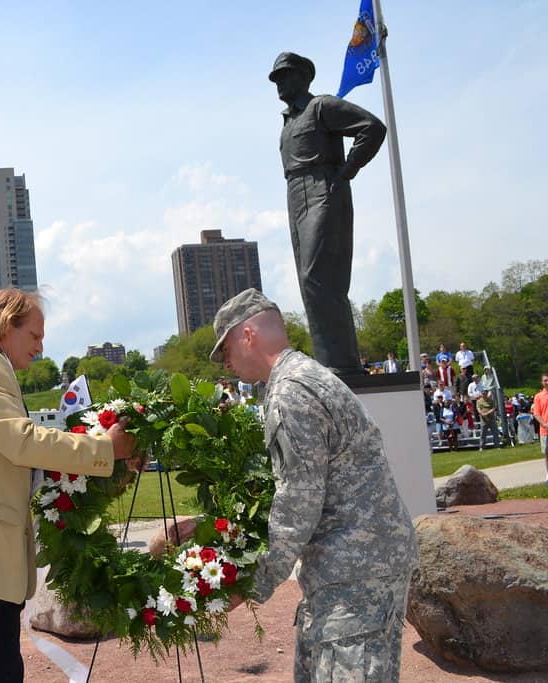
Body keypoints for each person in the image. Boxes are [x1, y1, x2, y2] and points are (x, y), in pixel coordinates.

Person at [0, 288, 137, 682]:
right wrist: (105, 449)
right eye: (34, 335)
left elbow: (20, 460)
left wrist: (111, 462)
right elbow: (23, 442)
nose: (40, 346)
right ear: (5, 325)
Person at [210, 289, 418, 682]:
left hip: (355, 575)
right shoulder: (302, 377)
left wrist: (251, 584)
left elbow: (298, 501)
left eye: (225, 350)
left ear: (248, 335)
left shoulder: (291, 390)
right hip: (353, 567)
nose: (226, 362)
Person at [269, 52, 386, 375]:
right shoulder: (289, 121)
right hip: (294, 193)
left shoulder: (321, 106)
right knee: (308, 282)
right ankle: (329, 361)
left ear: (304, 77)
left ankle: (341, 363)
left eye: (285, 75)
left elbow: (372, 128)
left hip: (322, 186)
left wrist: (348, 170)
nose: (279, 82)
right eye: (276, 78)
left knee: (318, 276)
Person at [533, 373, 548, 485]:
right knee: (547, 453)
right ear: (542, 382)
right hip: (545, 430)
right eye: (545, 380)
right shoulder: (538, 396)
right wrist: (544, 424)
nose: (547, 382)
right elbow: (537, 414)